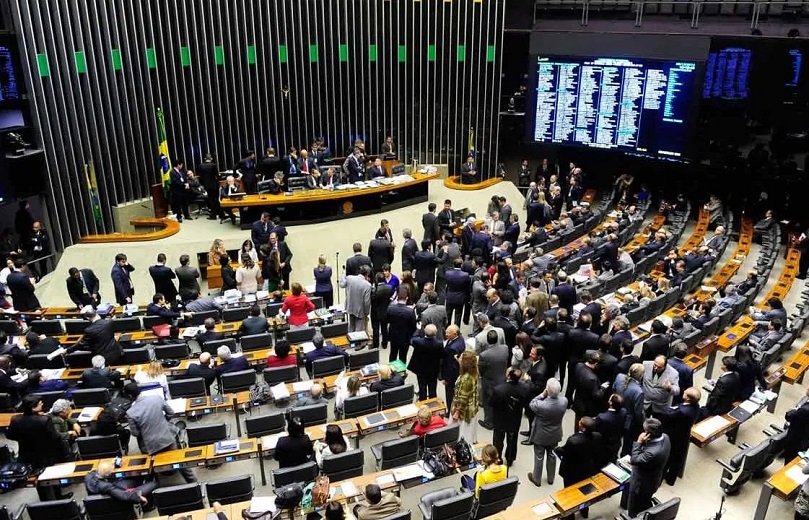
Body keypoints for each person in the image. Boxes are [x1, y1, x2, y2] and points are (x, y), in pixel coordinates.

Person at [123, 383, 196, 482]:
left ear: (130, 396)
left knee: (149, 465)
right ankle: (193, 483)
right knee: (179, 461)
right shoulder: (156, 398)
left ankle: (150, 483)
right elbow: (171, 413)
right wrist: (163, 422)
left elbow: (135, 433)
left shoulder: (130, 412)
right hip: (167, 439)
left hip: (150, 446)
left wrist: (145, 429)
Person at [7, 395, 71, 499]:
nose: (42, 404)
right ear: (33, 407)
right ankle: (58, 497)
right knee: (52, 476)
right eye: (40, 404)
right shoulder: (44, 420)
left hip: (26, 453)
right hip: (46, 454)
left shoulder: (15, 419)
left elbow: (10, 435)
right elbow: (55, 437)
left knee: (37, 477)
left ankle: (44, 499)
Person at [556, 416, 605, 518]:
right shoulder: (598, 436)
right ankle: (584, 511)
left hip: (571, 472)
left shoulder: (573, 441)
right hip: (587, 468)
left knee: (569, 494)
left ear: (582, 427)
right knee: (585, 491)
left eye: (580, 422)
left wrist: (558, 450)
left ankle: (570, 516)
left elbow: (566, 454)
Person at [624, 418, 671, 516]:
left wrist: (639, 442)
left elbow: (634, 460)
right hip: (654, 479)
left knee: (634, 507)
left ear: (648, 434)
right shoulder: (666, 437)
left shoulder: (652, 453)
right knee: (645, 502)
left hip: (641, 485)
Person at [655, 387, 701, 485]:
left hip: (673, 437)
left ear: (688, 398)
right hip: (684, 436)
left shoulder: (682, 412)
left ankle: (659, 480)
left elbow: (667, 415)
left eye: (686, 392)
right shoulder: (696, 406)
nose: (683, 391)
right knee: (676, 460)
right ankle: (671, 479)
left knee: (667, 459)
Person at [527, 378, 567, 486]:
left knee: (539, 457)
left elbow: (532, 403)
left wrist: (542, 395)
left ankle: (536, 479)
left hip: (540, 435)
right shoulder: (564, 401)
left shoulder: (541, 405)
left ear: (547, 390)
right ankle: (550, 478)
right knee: (552, 455)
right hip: (555, 434)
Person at [490, 367, 526, 467]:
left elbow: (491, 403)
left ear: (509, 376)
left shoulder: (498, 389)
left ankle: (497, 458)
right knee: (512, 440)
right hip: (515, 419)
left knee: (498, 441)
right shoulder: (524, 388)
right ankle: (510, 459)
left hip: (500, 420)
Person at [85, 459, 157, 506]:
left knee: (134, 478)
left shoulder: (88, 476)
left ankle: (141, 481)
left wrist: (110, 464)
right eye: (112, 469)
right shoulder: (107, 486)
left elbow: (99, 470)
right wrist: (139, 497)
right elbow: (124, 496)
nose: (113, 467)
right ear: (107, 475)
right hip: (119, 498)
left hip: (104, 500)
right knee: (153, 484)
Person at [479, 329, 510, 430]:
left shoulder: (484, 355)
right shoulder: (505, 348)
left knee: (488, 402)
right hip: (502, 379)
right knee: (500, 401)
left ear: (487, 340)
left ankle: (488, 422)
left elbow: (481, 369)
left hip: (489, 381)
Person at [614, 363, 646, 456]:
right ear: (640, 375)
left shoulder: (619, 377)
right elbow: (638, 412)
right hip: (629, 421)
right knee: (627, 445)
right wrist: (642, 423)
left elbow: (614, 390)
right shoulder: (638, 392)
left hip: (616, 414)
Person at [408, 325, 444, 400]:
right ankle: (432, 401)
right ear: (435, 333)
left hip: (421, 369)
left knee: (422, 387)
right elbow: (441, 355)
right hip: (433, 370)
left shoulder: (418, 342)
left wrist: (418, 329)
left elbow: (412, 339)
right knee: (432, 388)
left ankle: (422, 401)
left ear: (424, 331)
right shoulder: (439, 343)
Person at [452, 351, 480, 444]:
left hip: (464, 412)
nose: (459, 358)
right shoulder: (473, 373)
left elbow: (462, 399)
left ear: (465, 363)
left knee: (462, 435)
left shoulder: (466, 379)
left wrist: (457, 412)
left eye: (461, 358)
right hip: (472, 408)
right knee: (470, 432)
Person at [594, 394, 627, 463]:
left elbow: (595, 427)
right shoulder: (624, 412)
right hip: (616, 442)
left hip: (604, 444)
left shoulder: (602, 417)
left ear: (610, 403)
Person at [440, 324, 466, 411]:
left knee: (449, 394)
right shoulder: (460, 338)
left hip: (451, 377)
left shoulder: (452, 349)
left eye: (448, 333)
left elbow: (450, 367)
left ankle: (450, 411)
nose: (446, 334)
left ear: (455, 334)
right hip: (457, 372)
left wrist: (446, 379)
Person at [340, 265, 372, 333]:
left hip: (350, 308)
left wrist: (343, 273)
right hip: (360, 311)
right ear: (367, 274)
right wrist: (366, 313)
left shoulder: (349, 278)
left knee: (351, 328)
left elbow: (342, 284)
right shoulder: (367, 285)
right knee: (359, 332)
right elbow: (366, 302)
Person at [784, 386, 809, 462]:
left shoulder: (804, 410)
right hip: (805, 440)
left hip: (796, 443)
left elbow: (789, 417)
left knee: (789, 462)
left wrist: (795, 410)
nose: (807, 388)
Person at [370, 272, 393, 350]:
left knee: (375, 329)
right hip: (385, 311)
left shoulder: (374, 290)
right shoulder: (389, 288)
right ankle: (385, 343)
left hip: (375, 312)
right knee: (384, 328)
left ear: (376, 280)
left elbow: (372, 300)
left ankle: (376, 344)